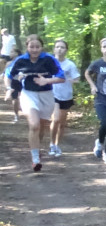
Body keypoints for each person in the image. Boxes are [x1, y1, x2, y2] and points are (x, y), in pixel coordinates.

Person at [3, 34, 65, 171]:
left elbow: (61, 77)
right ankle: (35, 159)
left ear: (41, 47)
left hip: (46, 95)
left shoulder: (49, 59)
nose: (35, 49)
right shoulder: (20, 61)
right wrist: (9, 88)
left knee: (41, 126)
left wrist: (47, 81)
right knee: (34, 124)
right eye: (32, 47)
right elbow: (8, 75)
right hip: (28, 95)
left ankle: (37, 148)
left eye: (37, 47)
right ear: (27, 47)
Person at [49, 38, 81, 157]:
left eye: (62, 47)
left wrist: (69, 80)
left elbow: (77, 79)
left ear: (66, 50)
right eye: (57, 47)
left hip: (66, 95)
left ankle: (57, 145)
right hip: (52, 94)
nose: (60, 49)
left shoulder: (70, 64)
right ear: (54, 49)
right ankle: (52, 144)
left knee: (62, 123)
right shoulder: (49, 62)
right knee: (55, 119)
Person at [2, 29, 22, 123]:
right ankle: (16, 115)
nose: (11, 53)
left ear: (17, 53)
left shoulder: (22, 61)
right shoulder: (8, 63)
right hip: (13, 81)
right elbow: (6, 73)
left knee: (22, 97)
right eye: (10, 52)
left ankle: (26, 112)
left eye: (13, 52)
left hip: (22, 81)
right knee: (15, 98)